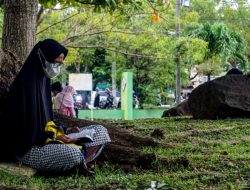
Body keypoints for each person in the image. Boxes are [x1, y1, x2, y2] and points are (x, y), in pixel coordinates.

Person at [0, 39, 111, 174]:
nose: (57, 67)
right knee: (72, 154)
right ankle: (79, 160)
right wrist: (55, 138)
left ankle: (81, 162)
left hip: (51, 139)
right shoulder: (23, 87)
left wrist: (66, 130)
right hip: (29, 148)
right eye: (55, 62)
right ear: (42, 57)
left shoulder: (44, 83)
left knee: (100, 131)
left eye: (60, 64)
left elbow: (47, 122)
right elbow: (21, 131)